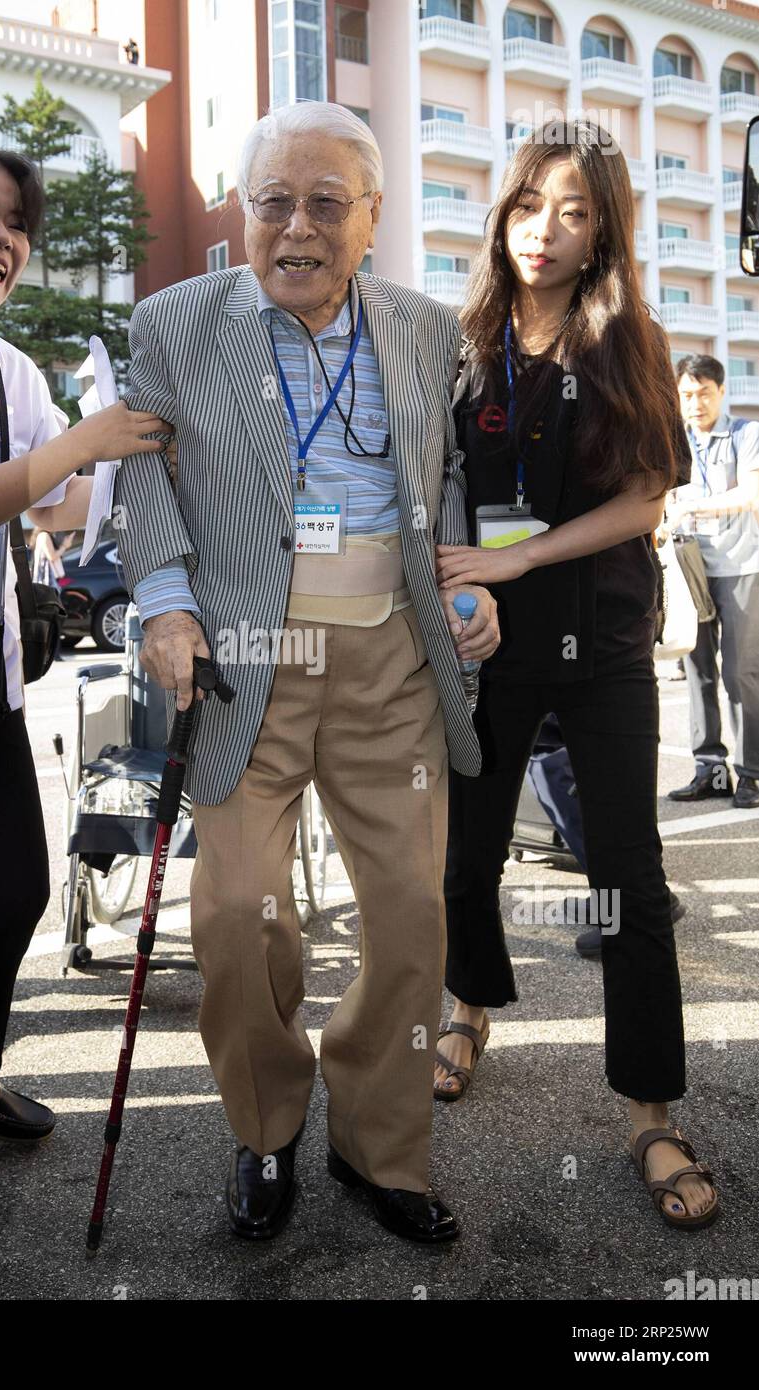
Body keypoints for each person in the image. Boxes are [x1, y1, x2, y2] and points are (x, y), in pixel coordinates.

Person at [113, 101, 500, 1243]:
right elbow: (140, 474)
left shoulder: (428, 329)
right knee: (238, 912)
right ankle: (266, 1125)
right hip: (239, 655)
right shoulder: (175, 322)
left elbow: (447, 488)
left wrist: (469, 588)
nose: (294, 226)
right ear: (243, 210)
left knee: (409, 916)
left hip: (389, 652)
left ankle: (378, 1145)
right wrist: (166, 604)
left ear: (370, 217)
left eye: (324, 202)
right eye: (271, 200)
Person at [433, 121, 719, 1230]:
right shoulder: (460, 339)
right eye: (525, 205)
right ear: (499, 214)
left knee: (627, 879)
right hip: (482, 645)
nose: (541, 230)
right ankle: (469, 1006)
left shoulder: (626, 337)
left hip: (597, 643)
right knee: (463, 854)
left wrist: (517, 556)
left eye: (572, 210)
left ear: (601, 230)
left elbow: (647, 499)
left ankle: (649, 1108)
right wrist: (459, 587)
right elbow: (434, 479)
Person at [0, 138, 168, 1292]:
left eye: (16, 221)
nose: (1, 236)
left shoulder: (10, 368)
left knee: (11, 885)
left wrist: (85, 458)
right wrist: (74, 449)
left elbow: (54, 498)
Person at [666, 355, 759, 810]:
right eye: (687, 394)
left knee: (741, 673)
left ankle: (752, 774)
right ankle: (710, 769)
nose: (695, 402)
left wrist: (693, 508)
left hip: (742, 566)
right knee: (699, 670)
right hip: (689, 569)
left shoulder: (747, 434)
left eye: (704, 392)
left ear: (721, 392)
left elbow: (751, 493)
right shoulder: (673, 440)